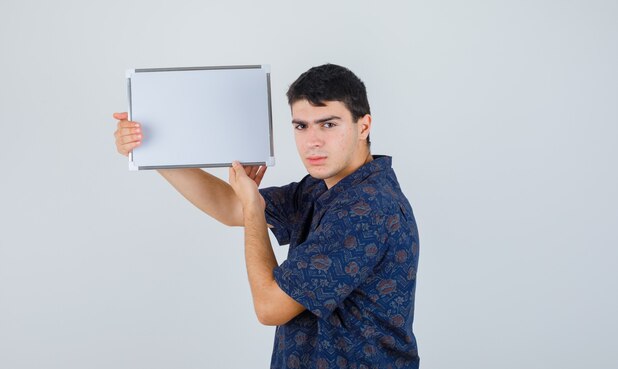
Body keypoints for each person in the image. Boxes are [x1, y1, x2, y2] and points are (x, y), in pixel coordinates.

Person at [113, 64, 419, 368]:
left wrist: (252, 210)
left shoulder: (366, 208)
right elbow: (231, 206)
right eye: (301, 126)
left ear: (363, 126)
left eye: (328, 124)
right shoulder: (320, 188)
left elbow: (269, 307)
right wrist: (151, 149)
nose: (312, 140)